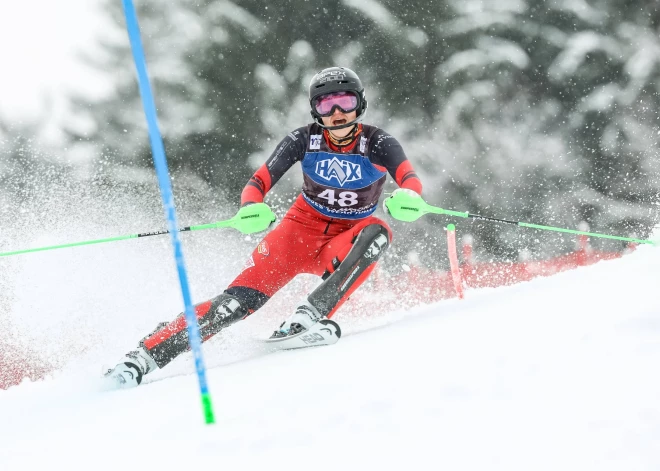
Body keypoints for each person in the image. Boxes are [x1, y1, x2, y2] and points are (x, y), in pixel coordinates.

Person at [105, 66, 423, 387]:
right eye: (327, 105)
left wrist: (409, 196)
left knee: (377, 233)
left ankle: (310, 314)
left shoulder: (379, 142)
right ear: (316, 110)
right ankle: (142, 357)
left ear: (360, 104)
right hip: (296, 236)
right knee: (232, 306)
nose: (338, 113)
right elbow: (259, 181)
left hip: (344, 240)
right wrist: (251, 206)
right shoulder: (303, 139)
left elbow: (409, 179)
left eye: (346, 102)